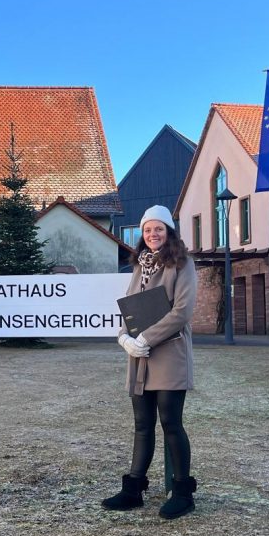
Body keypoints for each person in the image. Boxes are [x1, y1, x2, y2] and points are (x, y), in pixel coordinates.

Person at [103, 204, 199, 519]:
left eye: (158, 228)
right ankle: (133, 490)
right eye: (147, 230)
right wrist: (124, 338)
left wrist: (145, 338)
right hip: (140, 358)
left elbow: (182, 311)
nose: (152, 234)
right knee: (142, 425)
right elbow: (131, 312)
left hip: (169, 353)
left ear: (168, 231)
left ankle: (182, 492)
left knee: (171, 423)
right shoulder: (138, 266)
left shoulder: (182, 264)